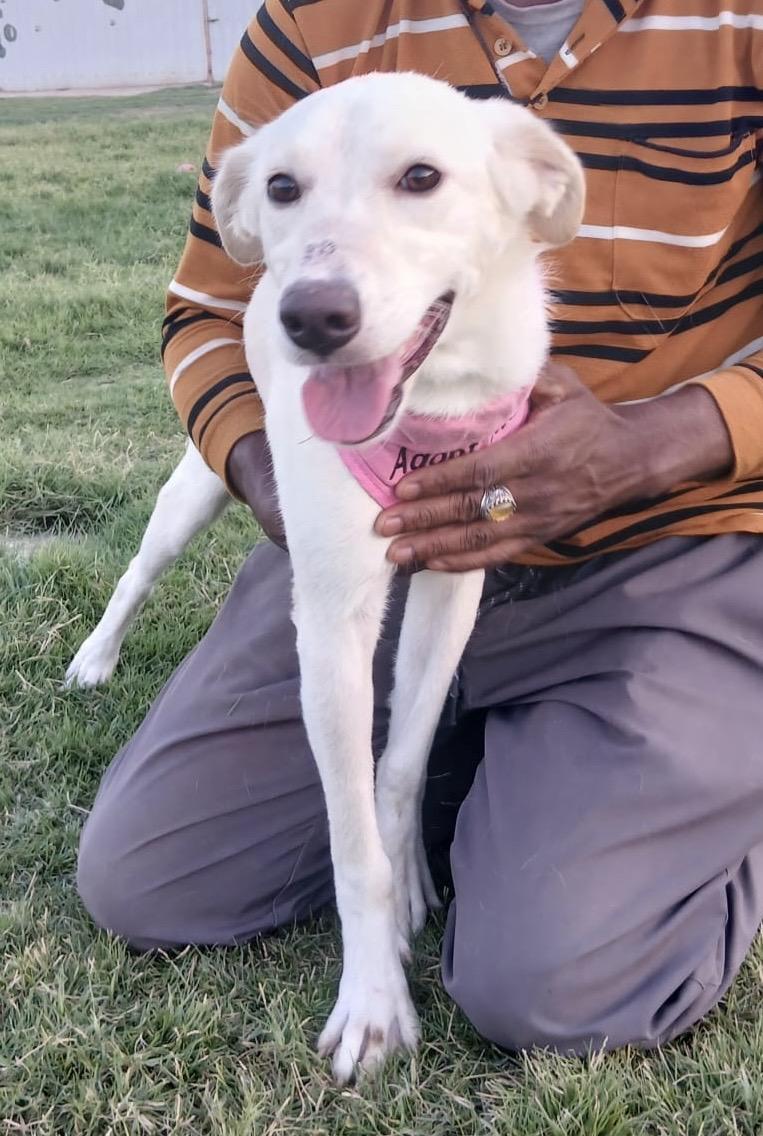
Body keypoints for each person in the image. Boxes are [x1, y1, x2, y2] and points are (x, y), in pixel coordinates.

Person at [76, 0, 763, 1055]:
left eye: (418, 181)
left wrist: (651, 444)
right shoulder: (313, 19)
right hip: (377, 536)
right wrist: (283, 479)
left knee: (549, 983)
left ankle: (682, 779)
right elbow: (210, 311)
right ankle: (475, 771)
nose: (321, 290)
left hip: (666, 543)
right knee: (148, 876)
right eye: (292, 191)